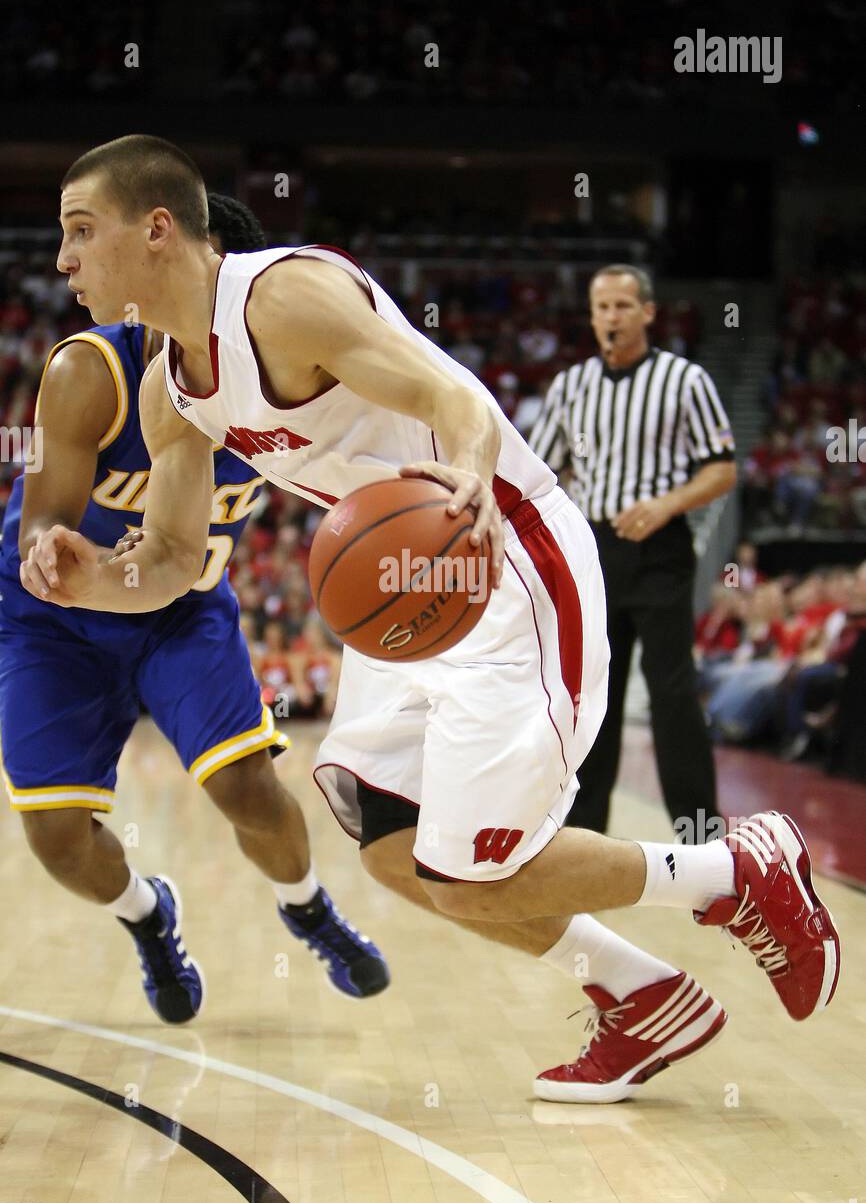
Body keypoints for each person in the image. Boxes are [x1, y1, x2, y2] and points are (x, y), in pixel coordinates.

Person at [25, 135, 841, 1104]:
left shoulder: (280, 297)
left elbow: (450, 394)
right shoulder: (171, 389)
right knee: (392, 847)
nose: (64, 260)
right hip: (404, 602)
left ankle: (730, 868)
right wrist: (82, 581)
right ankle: (638, 992)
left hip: (496, 554)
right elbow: (164, 563)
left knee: (468, 868)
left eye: (82, 232)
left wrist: (463, 465)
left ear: (157, 227)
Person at [0, 191, 388, 1025]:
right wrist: (48, 551)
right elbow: (43, 513)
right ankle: (148, 916)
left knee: (247, 786)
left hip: (180, 606)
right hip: (55, 617)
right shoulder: (89, 369)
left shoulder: (281, 379)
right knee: (57, 838)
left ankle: (308, 905)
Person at [528, 264, 735, 840]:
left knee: (671, 688)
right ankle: (583, 832)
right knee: (595, 690)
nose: (612, 318)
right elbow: (537, 469)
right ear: (591, 316)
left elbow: (722, 468)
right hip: (595, 549)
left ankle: (700, 833)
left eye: (623, 306)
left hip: (661, 547)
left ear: (648, 312)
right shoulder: (570, 386)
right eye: (602, 308)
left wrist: (667, 505)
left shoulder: (684, 380)